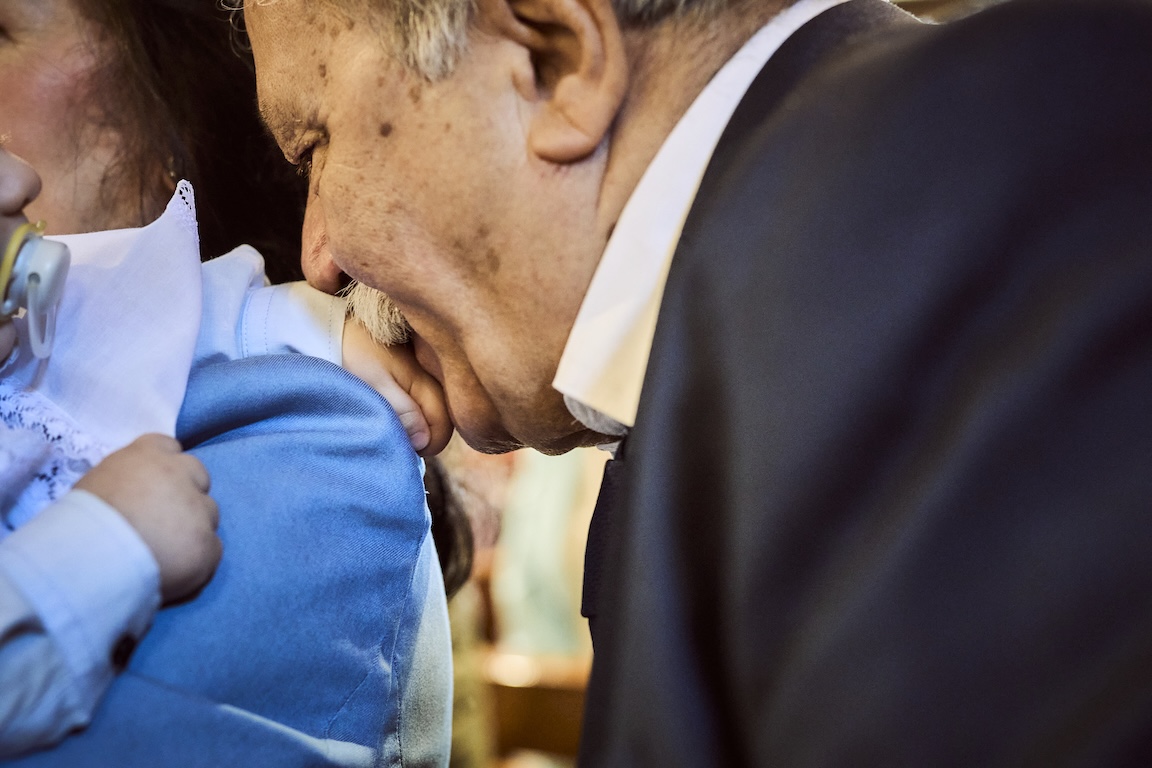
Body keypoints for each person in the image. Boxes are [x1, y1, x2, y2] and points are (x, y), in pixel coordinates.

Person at [242, 0, 1152, 763]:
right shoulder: (764, 322)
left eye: (314, 145)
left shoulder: (991, 207)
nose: (319, 257)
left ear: (555, 59)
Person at [1, 0, 460, 764]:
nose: (13, 174)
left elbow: (118, 312)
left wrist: (297, 322)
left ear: (170, 119)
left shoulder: (313, 433)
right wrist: (106, 546)